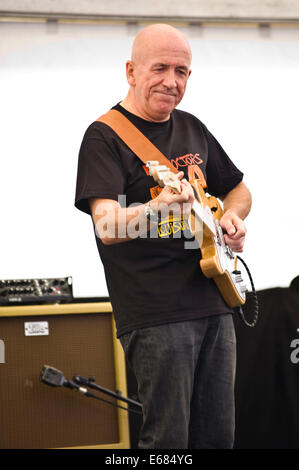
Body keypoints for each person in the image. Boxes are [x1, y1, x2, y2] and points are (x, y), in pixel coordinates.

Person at [75, 23, 252, 449]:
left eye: (182, 71)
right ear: (131, 71)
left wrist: (232, 217)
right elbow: (107, 226)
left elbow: (238, 189)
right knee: (167, 442)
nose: (172, 82)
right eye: (160, 68)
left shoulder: (192, 126)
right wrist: (155, 208)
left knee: (218, 438)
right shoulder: (105, 136)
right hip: (155, 314)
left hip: (215, 298)